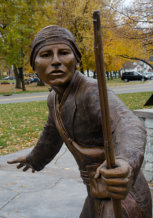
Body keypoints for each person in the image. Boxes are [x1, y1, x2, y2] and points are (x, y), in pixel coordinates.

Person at [8, 25, 152, 218]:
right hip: (96, 191)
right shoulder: (53, 99)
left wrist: (124, 161)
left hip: (121, 197)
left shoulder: (92, 91)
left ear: (76, 60)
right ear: (33, 65)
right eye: (46, 55)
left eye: (64, 53)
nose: (56, 61)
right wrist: (34, 159)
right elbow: (51, 135)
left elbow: (128, 124)